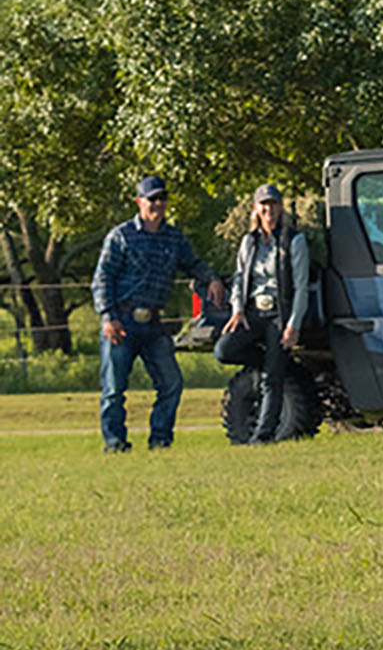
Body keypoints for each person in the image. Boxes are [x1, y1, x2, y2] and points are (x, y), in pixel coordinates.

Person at [91, 175, 229, 453]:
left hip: (153, 323)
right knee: (114, 390)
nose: (158, 203)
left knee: (171, 383)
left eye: (162, 198)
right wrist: (108, 316)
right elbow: (102, 279)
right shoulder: (121, 235)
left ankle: (161, 440)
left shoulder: (174, 237)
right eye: (152, 198)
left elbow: (194, 264)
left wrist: (212, 279)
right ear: (139, 201)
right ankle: (115, 444)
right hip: (122, 321)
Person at [215, 184, 311, 445]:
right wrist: (237, 310)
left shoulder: (294, 241)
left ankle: (263, 436)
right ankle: (272, 363)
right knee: (223, 350)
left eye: (273, 204)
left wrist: (294, 325)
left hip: (280, 316)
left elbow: (302, 287)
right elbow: (238, 279)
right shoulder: (250, 242)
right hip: (254, 312)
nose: (268, 210)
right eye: (263, 205)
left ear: (280, 208)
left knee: (272, 381)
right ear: (256, 209)